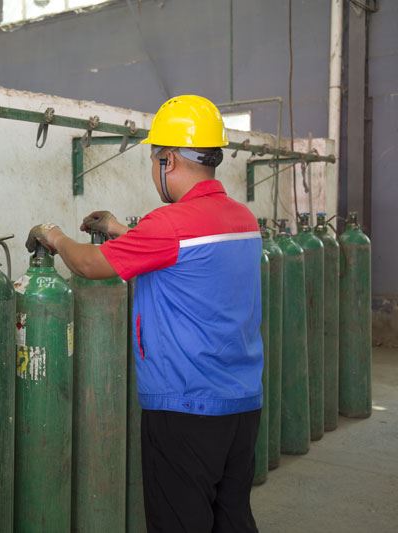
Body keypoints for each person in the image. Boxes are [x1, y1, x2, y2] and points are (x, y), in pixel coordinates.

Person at [25, 95, 263, 533]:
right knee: (231, 518)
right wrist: (119, 229)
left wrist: (53, 235)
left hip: (184, 407)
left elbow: (89, 264)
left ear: (168, 160)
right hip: (241, 403)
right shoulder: (243, 219)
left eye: (155, 160)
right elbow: (178, 254)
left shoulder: (170, 223)